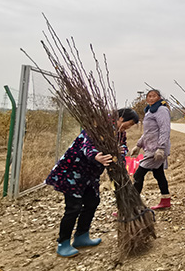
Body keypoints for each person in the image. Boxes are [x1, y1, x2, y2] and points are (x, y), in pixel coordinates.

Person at [46, 108, 139, 257]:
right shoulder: (97, 127)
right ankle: (62, 243)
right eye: (128, 124)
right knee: (73, 207)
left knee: (92, 201)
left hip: (90, 175)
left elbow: (123, 146)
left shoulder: (120, 133)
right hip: (72, 172)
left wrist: (122, 153)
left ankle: (81, 236)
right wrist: (97, 156)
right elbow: (86, 146)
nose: (128, 127)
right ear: (120, 118)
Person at [130, 89, 172, 210]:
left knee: (138, 175)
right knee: (159, 174)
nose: (151, 98)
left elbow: (165, 129)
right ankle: (165, 200)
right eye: (149, 96)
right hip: (150, 147)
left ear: (159, 98)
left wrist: (161, 148)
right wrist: (138, 145)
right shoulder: (149, 111)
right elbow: (148, 132)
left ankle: (132, 206)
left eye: (154, 96)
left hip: (156, 149)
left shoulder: (162, 110)